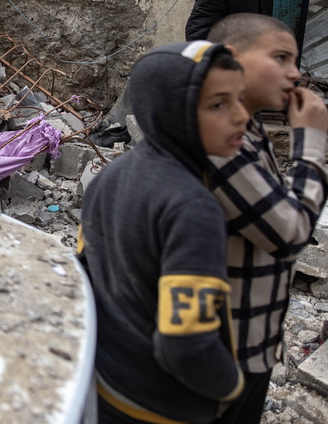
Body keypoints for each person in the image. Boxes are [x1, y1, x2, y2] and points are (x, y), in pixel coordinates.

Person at [80, 41, 247, 423]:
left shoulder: (111, 175)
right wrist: (232, 386)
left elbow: (85, 269)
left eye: (240, 98)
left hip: (109, 381)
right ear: (174, 111)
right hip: (162, 405)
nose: (242, 117)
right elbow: (185, 344)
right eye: (219, 104)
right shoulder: (193, 207)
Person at [206, 13, 328, 424]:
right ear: (230, 59)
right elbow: (290, 233)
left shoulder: (248, 126)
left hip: (252, 339)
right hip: (226, 350)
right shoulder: (221, 141)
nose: (295, 74)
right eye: (281, 57)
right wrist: (310, 143)